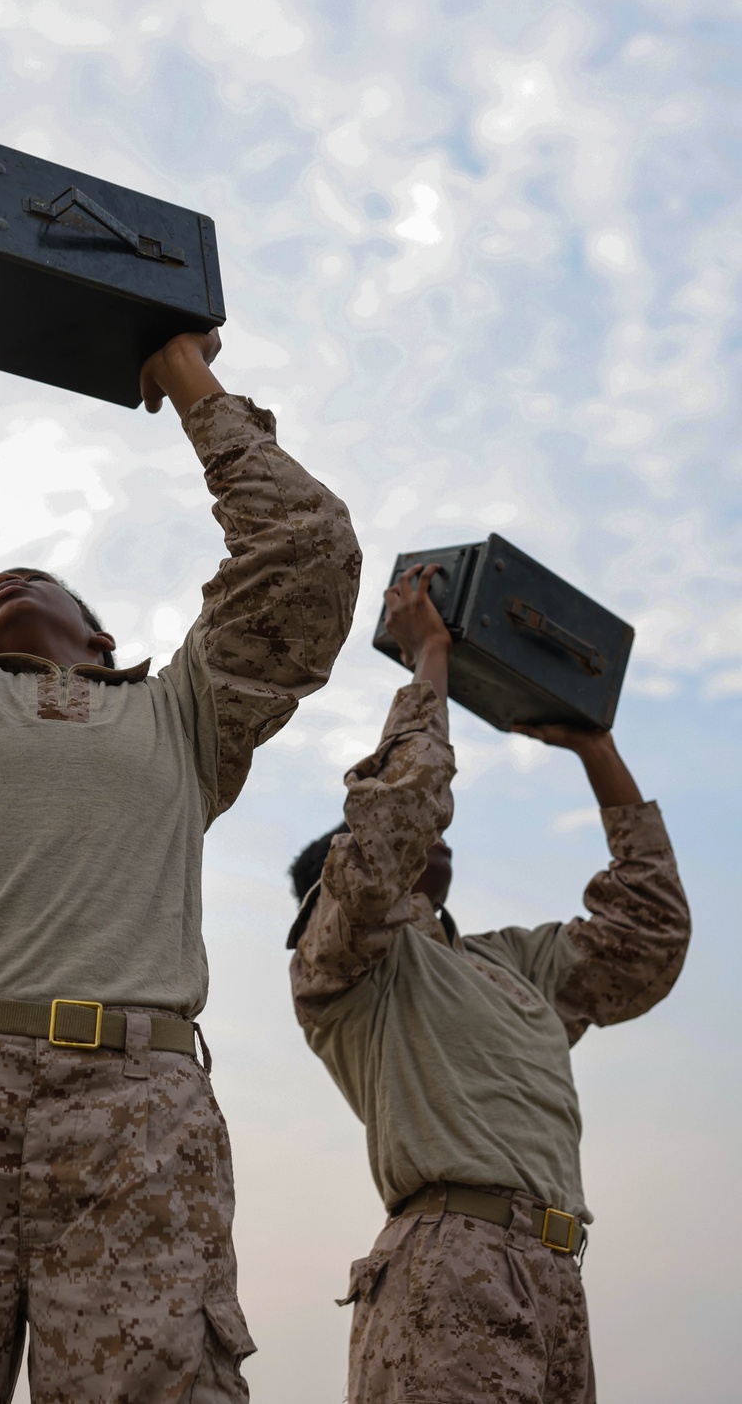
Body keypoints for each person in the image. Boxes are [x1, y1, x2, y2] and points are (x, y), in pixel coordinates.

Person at [0, 210, 361, 1404]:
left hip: (135, 1110)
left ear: (103, 639)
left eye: (37, 579)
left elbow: (303, 554)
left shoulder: (185, 714)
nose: (4, 580)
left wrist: (186, 375)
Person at [287, 563, 690, 1404]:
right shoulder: (343, 965)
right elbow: (397, 813)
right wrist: (429, 651)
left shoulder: (506, 963)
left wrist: (594, 744)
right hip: (450, 1261)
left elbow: (648, 931)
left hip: (555, 1272)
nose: (430, 830)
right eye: (398, 839)